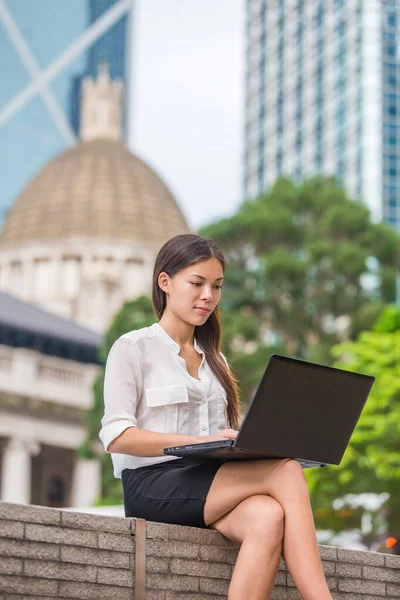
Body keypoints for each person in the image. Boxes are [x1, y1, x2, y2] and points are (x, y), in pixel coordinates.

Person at [99, 233, 333, 600]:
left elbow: (217, 440)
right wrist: (198, 443)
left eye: (217, 286)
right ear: (165, 282)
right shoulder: (133, 348)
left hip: (205, 482)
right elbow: (117, 435)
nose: (208, 296)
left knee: (268, 516)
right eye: (197, 283)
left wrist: (236, 440)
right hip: (151, 485)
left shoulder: (217, 362)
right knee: (286, 469)